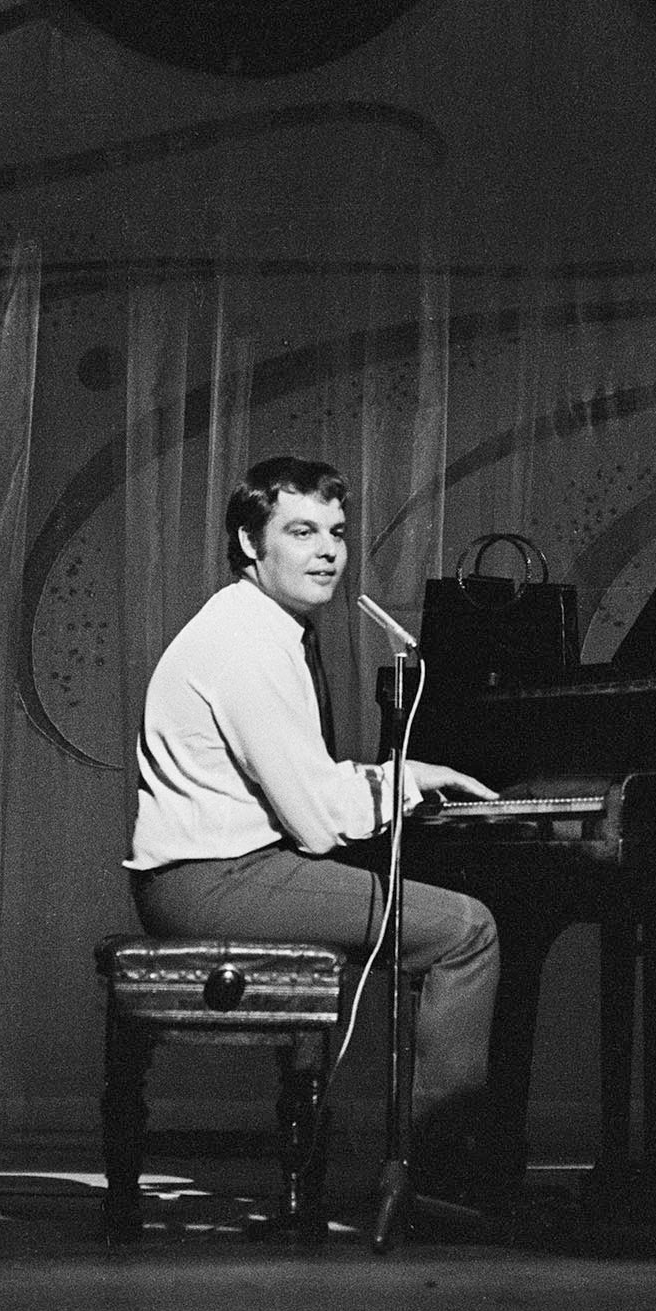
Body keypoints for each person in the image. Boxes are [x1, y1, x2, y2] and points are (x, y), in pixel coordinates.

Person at [125, 455, 501, 1188]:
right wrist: (399, 789)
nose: (328, 550)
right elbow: (315, 825)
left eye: (336, 531)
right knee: (467, 931)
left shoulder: (259, 625)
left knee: (443, 921)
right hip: (213, 883)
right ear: (248, 540)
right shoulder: (247, 642)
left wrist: (404, 778)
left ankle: (427, 1159)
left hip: (215, 875)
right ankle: (443, 1176)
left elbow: (306, 782)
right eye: (301, 531)